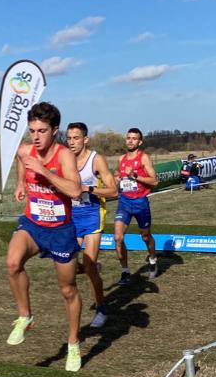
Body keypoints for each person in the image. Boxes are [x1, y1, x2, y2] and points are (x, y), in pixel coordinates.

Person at [6, 101, 83, 372]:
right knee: (13, 263)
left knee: (67, 289)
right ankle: (25, 316)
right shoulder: (26, 150)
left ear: (54, 130)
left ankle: (73, 343)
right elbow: (21, 158)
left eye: (41, 131)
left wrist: (45, 173)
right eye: (32, 130)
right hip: (33, 223)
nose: (35, 137)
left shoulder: (64, 156)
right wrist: (19, 183)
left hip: (61, 230)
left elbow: (75, 191)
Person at [66, 122, 118, 328]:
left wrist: (88, 188)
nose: (71, 142)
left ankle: (101, 308)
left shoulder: (96, 160)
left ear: (85, 139)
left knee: (87, 265)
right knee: (67, 265)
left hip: (92, 216)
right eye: (69, 138)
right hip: (72, 216)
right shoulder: (65, 159)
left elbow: (114, 192)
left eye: (76, 138)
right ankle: (93, 267)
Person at [114, 127, 159, 285]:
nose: (130, 141)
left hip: (140, 202)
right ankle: (125, 272)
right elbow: (117, 177)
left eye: (134, 138)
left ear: (140, 142)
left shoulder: (144, 158)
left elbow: (154, 181)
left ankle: (153, 259)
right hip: (125, 202)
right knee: (118, 237)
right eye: (128, 138)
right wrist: (117, 179)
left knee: (145, 236)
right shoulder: (121, 159)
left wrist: (136, 176)